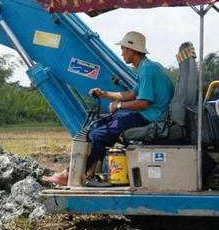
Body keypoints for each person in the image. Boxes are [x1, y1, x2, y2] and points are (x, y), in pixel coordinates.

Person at [44, 31, 174, 186]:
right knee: (100, 122)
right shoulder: (148, 66)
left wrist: (118, 106)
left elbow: (143, 102)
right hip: (150, 115)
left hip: (152, 118)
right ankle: (91, 170)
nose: (122, 53)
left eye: (124, 49)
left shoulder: (146, 70)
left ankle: (68, 174)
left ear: (132, 50)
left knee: (99, 135)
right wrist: (105, 94)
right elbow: (132, 94)